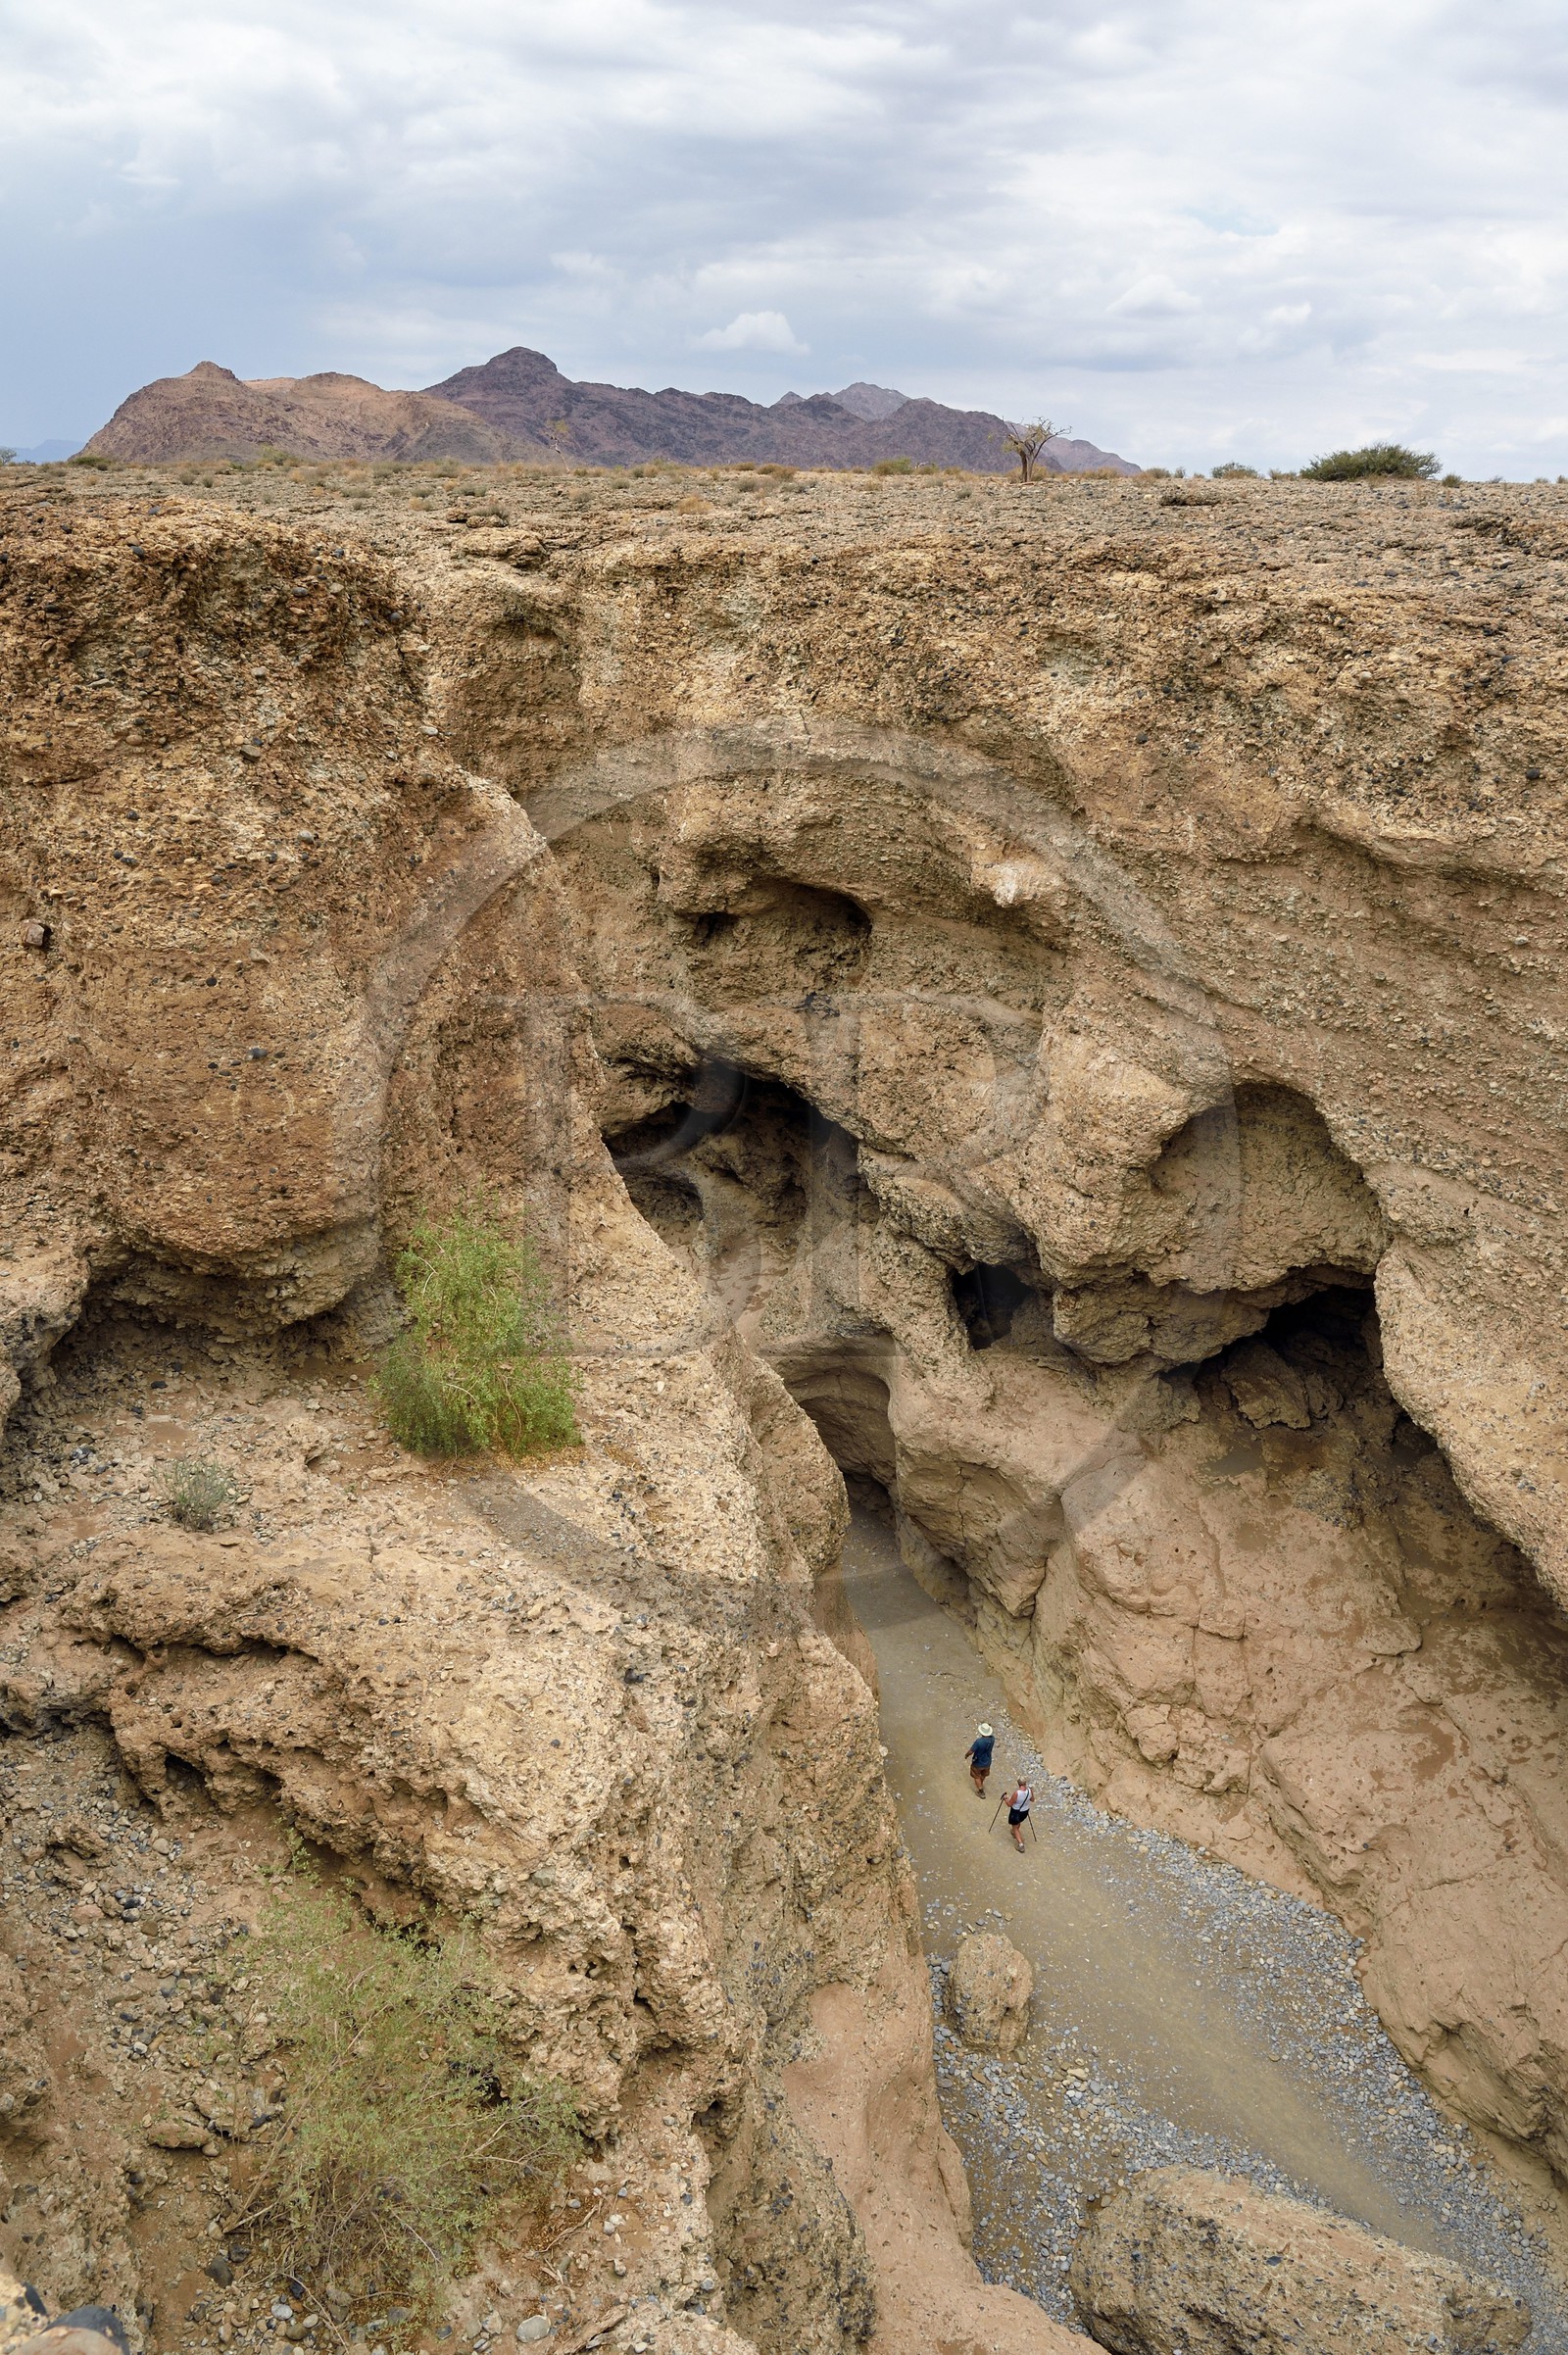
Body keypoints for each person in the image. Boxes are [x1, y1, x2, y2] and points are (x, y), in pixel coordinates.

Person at [1004, 1775, 1034, 1851]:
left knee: (1015, 1827)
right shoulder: (1029, 1790)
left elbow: (1009, 1804)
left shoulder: (1017, 1793)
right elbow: (1032, 1799)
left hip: (1016, 1812)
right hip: (1025, 1811)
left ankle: (1021, 1845)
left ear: (1018, 1783)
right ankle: (1014, 1832)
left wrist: (1005, 1799)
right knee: (1018, 1823)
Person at [964, 1722, 996, 1794]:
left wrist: (966, 1755)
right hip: (987, 1761)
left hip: (978, 1762)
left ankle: (980, 1791)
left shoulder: (979, 1742)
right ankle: (981, 1783)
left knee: (976, 1775)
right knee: (983, 1774)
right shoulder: (992, 1739)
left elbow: (971, 1751)